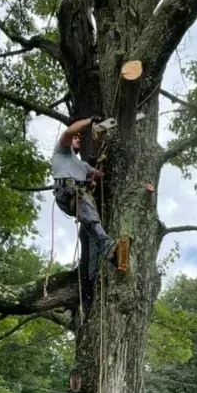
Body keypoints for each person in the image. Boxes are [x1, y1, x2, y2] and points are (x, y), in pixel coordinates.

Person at [51, 116, 117, 279]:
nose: (78, 140)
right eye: (76, 138)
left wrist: (104, 160)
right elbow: (69, 131)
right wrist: (91, 121)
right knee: (84, 199)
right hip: (66, 191)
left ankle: (94, 272)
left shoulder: (83, 166)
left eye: (80, 139)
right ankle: (106, 244)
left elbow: (99, 175)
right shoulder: (61, 151)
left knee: (90, 219)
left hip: (79, 196)